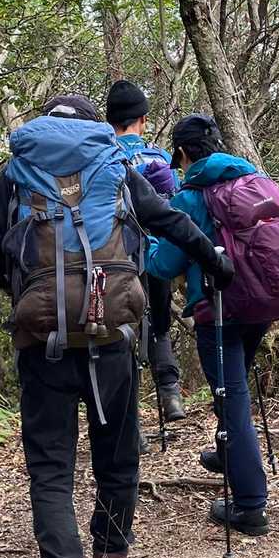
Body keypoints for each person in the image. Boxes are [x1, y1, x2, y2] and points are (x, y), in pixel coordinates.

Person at [0, 94, 232, 558]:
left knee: (51, 466)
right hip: (112, 336)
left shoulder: (18, 173)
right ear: (92, 128)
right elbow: (170, 220)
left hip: (43, 341)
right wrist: (216, 262)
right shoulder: (117, 168)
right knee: (117, 452)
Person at [146, 114, 272, 536]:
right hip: (261, 302)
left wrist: (147, 242)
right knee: (232, 392)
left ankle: (250, 506)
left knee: (232, 401)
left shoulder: (192, 197)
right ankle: (227, 451)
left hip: (219, 310)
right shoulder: (253, 179)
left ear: (182, 152)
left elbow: (163, 266)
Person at [105, 80, 186, 424]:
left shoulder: (103, 157)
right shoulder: (161, 158)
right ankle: (170, 393)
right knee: (160, 322)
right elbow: (177, 204)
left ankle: (131, 422)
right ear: (143, 119)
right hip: (157, 251)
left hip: (117, 255)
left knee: (123, 327)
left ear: (110, 120)